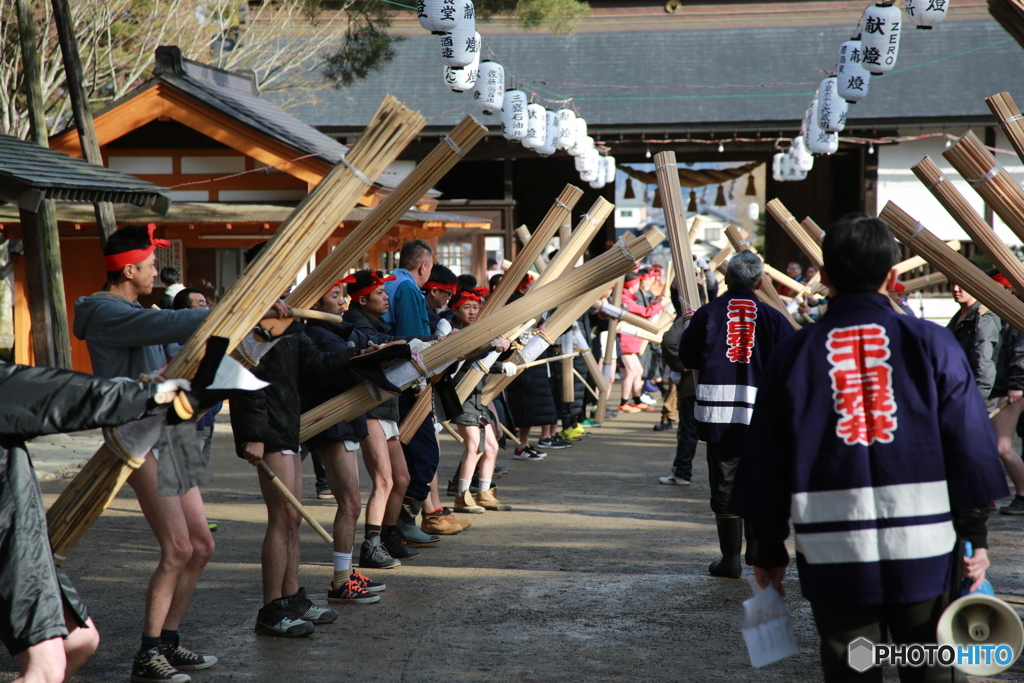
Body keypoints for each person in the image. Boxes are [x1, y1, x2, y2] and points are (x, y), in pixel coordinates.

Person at [731, 214, 1008, 682]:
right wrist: (974, 538)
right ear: (893, 277)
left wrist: (767, 547)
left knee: (853, 664)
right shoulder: (932, 343)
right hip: (926, 544)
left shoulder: (795, 354)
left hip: (834, 547)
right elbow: (969, 445)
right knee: (930, 666)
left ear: (825, 278)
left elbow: (765, 459)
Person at [75, 224, 251, 682]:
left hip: (171, 431)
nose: (158, 270)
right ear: (129, 268)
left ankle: (168, 642)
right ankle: (147, 653)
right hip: (135, 435)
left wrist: (258, 329)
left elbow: (180, 349)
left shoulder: (137, 309)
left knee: (202, 545)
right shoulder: (105, 312)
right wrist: (233, 309)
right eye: (152, 264)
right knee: (176, 547)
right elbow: (171, 323)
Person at [0, 361, 188, 683]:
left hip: (19, 527)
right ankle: (153, 648)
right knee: (45, 668)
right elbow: (51, 396)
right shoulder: (106, 311)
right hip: (8, 530)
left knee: (81, 642)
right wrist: (149, 394)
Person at [230, 242, 367, 637]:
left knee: (294, 517)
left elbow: (316, 366)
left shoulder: (288, 318)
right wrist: (252, 436)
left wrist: (364, 356)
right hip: (267, 428)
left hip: (289, 423)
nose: (288, 281)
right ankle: (271, 608)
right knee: (281, 518)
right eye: (279, 273)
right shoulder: (244, 317)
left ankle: (292, 598)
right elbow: (241, 377)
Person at [678, 250, 794, 578]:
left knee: (725, 479)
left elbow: (687, 356)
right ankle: (756, 549)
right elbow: (792, 361)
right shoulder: (772, 317)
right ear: (759, 282)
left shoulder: (708, 313)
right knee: (761, 477)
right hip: (761, 413)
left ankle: (730, 558)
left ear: (726, 279)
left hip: (717, 410)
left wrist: (690, 326)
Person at [343, 269, 437, 565]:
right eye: (380, 293)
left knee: (402, 477)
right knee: (384, 479)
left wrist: (435, 341)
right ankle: (371, 545)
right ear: (361, 299)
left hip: (385, 406)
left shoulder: (376, 321)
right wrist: (432, 340)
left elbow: (395, 339)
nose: (387, 297)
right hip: (367, 406)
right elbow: (392, 343)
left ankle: (388, 533)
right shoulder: (354, 326)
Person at [303, 279, 388, 602]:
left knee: (352, 502)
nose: (342, 301)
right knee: (350, 503)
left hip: (345, 421)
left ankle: (347, 569)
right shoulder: (315, 335)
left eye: (341, 295)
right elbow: (333, 372)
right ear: (316, 304)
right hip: (332, 423)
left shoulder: (333, 332)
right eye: (335, 295)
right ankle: (340, 579)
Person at [447, 289, 518, 514]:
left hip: (477, 396)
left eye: (475, 307)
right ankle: (462, 495)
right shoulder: (453, 333)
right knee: (474, 447)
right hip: (460, 395)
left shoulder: (481, 332)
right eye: (466, 307)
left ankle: (484, 493)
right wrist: (497, 363)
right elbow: (467, 362)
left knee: (491, 446)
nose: (472, 311)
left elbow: (490, 354)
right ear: (455, 310)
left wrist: (508, 348)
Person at [985, 273, 1024, 515]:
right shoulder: (995, 315)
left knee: (1003, 447)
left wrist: (1018, 384)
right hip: (997, 388)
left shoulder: (1015, 314)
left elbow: (1021, 351)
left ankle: (1022, 495)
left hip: (1010, 390)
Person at [618, 271, 663, 413]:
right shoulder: (624, 298)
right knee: (631, 372)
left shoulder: (629, 297)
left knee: (638, 370)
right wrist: (660, 305)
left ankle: (637, 400)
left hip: (631, 340)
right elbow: (644, 312)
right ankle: (623, 402)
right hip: (625, 340)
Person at [947, 280, 1000, 400]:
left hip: (971, 395)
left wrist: (977, 400)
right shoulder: (958, 318)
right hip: (956, 391)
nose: (955, 289)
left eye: (961, 284)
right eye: (952, 283)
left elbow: (983, 361)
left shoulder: (983, 318)